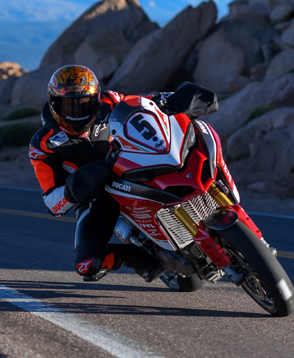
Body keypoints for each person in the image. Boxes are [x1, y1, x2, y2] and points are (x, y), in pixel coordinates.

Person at [29, 65, 218, 282]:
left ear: (96, 99)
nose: (76, 112)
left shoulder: (111, 101)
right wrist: (76, 187)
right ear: (54, 105)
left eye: (84, 104)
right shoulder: (43, 143)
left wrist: (173, 100)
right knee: (86, 264)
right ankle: (137, 258)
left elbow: (146, 104)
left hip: (134, 169)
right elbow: (52, 203)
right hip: (96, 196)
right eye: (68, 106)